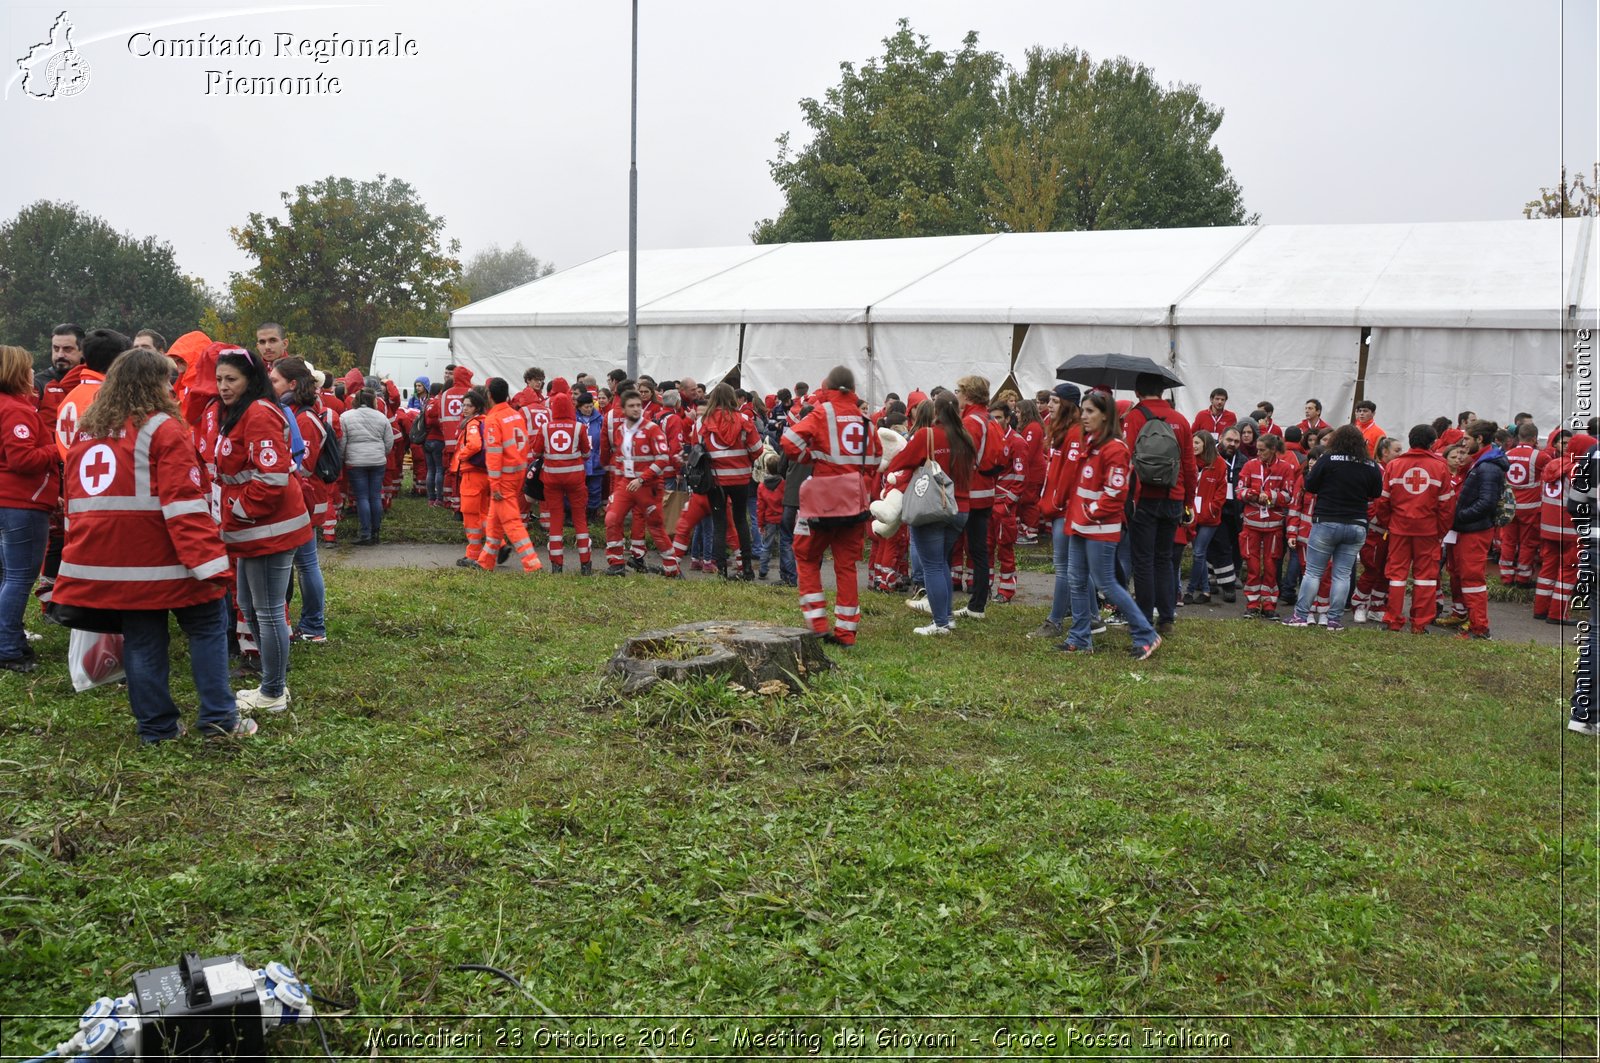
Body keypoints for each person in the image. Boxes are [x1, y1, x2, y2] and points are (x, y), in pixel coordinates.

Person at [53, 348, 255, 741]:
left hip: (109, 563)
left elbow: (75, 503)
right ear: (154, 385)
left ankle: (157, 729)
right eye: (168, 381)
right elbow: (184, 507)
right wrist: (211, 565)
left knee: (144, 638)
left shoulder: (86, 432)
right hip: (165, 558)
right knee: (208, 624)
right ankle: (219, 720)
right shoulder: (162, 428)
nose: (173, 389)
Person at [213, 347, 312, 715]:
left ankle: (273, 691)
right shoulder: (241, 411)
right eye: (220, 379)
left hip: (267, 528)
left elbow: (270, 479)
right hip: (253, 529)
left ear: (250, 380)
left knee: (267, 611)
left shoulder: (257, 413)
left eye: (231, 379)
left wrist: (237, 512)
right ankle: (271, 685)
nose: (223, 386)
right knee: (252, 608)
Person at [781, 366, 881, 645]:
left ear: (830, 389)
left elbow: (789, 441)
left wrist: (811, 456)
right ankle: (846, 632)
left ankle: (817, 622)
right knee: (847, 566)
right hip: (854, 501)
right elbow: (874, 462)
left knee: (806, 557)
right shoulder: (866, 422)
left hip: (821, 504)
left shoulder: (823, 412)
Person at [1060, 391, 1161, 659]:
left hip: (1100, 528)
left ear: (1106, 415)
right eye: (1083, 410)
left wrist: (1089, 512)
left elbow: (1115, 493)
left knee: (1107, 583)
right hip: (1081, 525)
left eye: (1090, 411)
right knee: (1076, 580)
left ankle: (1146, 634)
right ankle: (1080, 637)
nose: (1084, 416)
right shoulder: (1092, 443)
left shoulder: (1115, 448)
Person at [880, 393, 973, 636]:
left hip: (932, 507)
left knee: (932, 565)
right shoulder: (965, 437)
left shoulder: (927, 435)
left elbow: (900, 461)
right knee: (941, 562)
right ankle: (947, 617)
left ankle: (940, 622)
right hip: (960, 508)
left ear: (935, 412)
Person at [1280, 426, 1383, 630]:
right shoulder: (1370, 464)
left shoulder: (1328, 459)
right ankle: (1334, 620)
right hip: (1356, 524)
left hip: (1326, 521)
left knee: (1313, 572)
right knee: (1342, 575)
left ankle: (1300, 616)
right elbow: (1376, 492)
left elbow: (1310, 485)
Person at [1120, 373, 1197, 635]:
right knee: (1165, 559)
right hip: (1173, 497)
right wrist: (1188, 502)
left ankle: (1143, 617)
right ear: (1163, 392)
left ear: (1138, 391)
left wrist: (1125, 499)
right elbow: (1189, 465)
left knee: (1143, 560)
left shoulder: (1134, 417)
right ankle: (1167, 618)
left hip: (1143, 498)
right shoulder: (1180, 420)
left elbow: (1127, 459)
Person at [0, 346, 58, 673]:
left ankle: (10, 639)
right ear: (17, 373)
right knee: (19, 578)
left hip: (8, 502)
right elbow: (22, 459)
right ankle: (8, 648)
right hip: (22, 503)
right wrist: (57, 449)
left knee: (8, 576)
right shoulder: (16, 410)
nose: (34, 373)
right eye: (29, 368)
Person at [265, 357, 330, 643]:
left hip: (304, 499)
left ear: (292, 384)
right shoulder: (294, 411)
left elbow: (303, 464)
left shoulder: (304, 418)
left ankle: (315, 626)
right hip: (302, 497)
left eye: (275, 380)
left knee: (307, 563)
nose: (270, 385)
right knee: (304, 563)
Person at [671, 383, 763, 579]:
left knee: (719, 525)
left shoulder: (702, 423)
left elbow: (697, 451)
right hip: (741, 479)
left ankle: (721, 570)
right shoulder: (745, 419)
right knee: (740, 522)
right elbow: (757, 449)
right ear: (732, 398)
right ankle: (746, 569)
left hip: (715, 481)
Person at [1375, 424, 1453, 632]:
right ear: (1432, 443)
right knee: (1426, 578)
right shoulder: (1440, 467)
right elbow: (1446, 507)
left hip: (1399, 530)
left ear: (1410, 440)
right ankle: (1419, 624)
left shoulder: (1394, 465)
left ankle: (1393, 619)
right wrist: (1440, 532)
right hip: (1428, 531)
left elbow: (1382, 503)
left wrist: (1389, 524)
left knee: (1396, 576)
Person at [601, 389, 680, 577]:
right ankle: (616, 563)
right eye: (632, 406)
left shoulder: (652, 429)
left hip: (648, 487)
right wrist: (615, 489)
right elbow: (619, 460)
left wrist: (642, 478)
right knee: (612, 518)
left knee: (655, 526)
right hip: (626, 485)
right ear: (624, 409)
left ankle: (672, 568)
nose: (637, 409)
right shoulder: (621, 430)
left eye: (638, 406)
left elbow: (663, 458)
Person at [1447, 420, 1509, 640]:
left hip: (1474, 530)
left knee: (1472, 578)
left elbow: (1487, 503)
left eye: (1467, 439)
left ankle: (1479, 627)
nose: (1463, 444)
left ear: (1479, 439)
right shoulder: (1481, 462)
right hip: (1467, 528)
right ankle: (1467, 618)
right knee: (1461, 574)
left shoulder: (1489, 466)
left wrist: (1457, 517)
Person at [950, 376, 1004, 620]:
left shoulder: (972, 421)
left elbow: (961, 458)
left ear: (968, 394)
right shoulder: (990, 419)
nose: (957, 395)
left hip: (968, 493)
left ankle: (965, 603)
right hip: (986, 492)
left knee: (950, 547)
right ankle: (978, 603)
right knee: (979, 551)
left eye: (959, 391)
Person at [476, 377, 542, 574]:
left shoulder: (493, 419)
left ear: (489, 395)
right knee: (494, 522)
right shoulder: (515, 414)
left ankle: (532, 563)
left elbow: (494, 455)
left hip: (503, 478)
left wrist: (495, 485)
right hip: (517, 473)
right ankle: (485, 561)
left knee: (512, 523)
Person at [528, 387, 592, 573]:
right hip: (576, 480)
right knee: (580, 518)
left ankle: (557, 565)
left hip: (551, 480)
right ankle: (585, 564)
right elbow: (587, 453)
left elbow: (536, 452)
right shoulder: (579, 427)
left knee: (556, 519)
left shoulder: (545, 428)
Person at [1237, 433, 1296, 619]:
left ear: (1273, 450)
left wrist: (1269, 496)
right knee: (1252, 565)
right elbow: (1239, 490)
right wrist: (1255, 494)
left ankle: (1269, 605)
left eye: (1262, 450)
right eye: (1258, 449)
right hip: (1252, 524)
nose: (1259, 453)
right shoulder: (1249, 465)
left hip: (1273, 525)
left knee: (1271, 566)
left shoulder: (1286, 468)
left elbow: (1289, 496)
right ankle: (1252, 604)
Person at [1568, 439, 1598, 735]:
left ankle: (1583, 713)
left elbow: (1574, 502)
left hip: (1595, 548)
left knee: (1596, 633)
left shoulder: (1594, 453)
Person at [339, 388, 394, 546]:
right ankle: (376, 532)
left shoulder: (346, 416)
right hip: (377, 461)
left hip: (356, 462)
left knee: (362, 497)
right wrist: (381, 453)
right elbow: (389, 441)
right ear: (373, 401)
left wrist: (344, 457)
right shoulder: (381, 417)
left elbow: (342, 442)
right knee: (375, 496)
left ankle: (365, 533)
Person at [1181, 430, 1227, 605]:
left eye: (1197, 443)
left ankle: (1190, 590)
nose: (1193, 446)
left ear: (1206, 445)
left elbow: (1221, 493)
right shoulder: (1189, 462)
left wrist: (1210, 510)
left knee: (1198, 552)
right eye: (1192, 442)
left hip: (1209, 518)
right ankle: (1206, 591)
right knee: (1200, 554)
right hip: (1192, 515)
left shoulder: (1219, 464)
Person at [1498, 421, 1543, 588]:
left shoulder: (1507, 454)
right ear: (1535, 439)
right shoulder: (1540, 456)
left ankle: (1506, 577)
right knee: (1527, 543)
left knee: (1508, 541)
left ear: (1518, 437)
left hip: (1510, 507)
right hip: (1530, 508)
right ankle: (1523, 579)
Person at [451, 388, 491, 567]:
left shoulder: (472, 424)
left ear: (477, 408)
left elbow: (474, 445)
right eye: (463, 405)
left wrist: (461, 455)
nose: (464, 409)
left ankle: (474, 554)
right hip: (485, 474)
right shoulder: (486, 421)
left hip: (472, 475)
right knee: (483, 513)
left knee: (470, 515)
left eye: (469, 406)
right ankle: (495, 546)